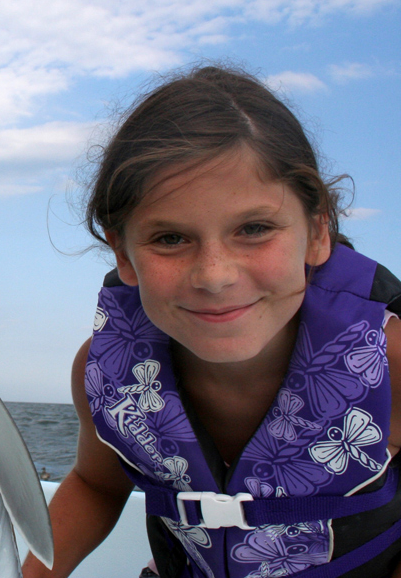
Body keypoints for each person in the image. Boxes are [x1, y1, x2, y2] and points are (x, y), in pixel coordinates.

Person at [22, 66, 401, 578]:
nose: (214, 276)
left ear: (316, 233)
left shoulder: (389, 356)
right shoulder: (104, 373)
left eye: (254, 228)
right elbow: (96, 486)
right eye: (171, 239)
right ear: (124, 254)